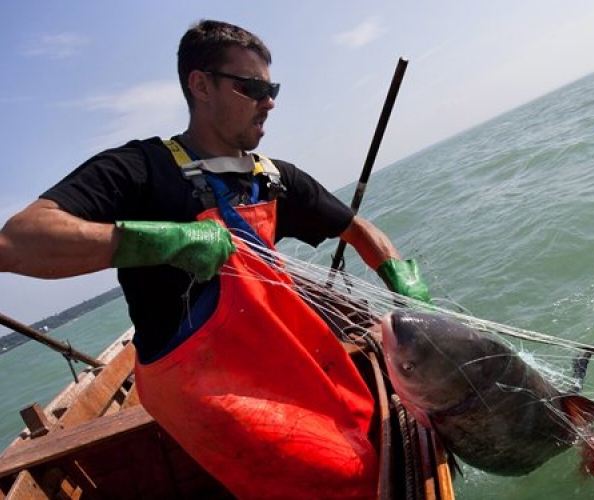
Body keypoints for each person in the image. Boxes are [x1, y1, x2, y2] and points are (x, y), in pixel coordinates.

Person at [0, 19, 431, 499]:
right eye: (252, 88)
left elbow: (356, 228)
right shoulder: (141, 169)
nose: (268, 101)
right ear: (200, 85)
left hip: (270, 354)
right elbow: (17, 241)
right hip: (198, 386)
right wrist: (160, 241)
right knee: (340, 475)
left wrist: (399, 279)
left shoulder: (273, 178)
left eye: (273, 89)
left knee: (366, 421)